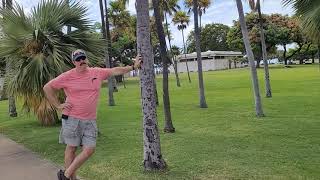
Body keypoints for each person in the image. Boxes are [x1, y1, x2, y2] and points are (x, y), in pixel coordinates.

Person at [43, 49, 142, 180]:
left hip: (90, 119)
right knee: (71, 148)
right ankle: (71, 177)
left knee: (89, 149)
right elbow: (47, 87)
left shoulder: (97, 72)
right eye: (78, 59)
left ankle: (65, 174)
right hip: (72, 118)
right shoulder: (67, 76)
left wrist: (133, 67)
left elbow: (115, 70)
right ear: (74, 62)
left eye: (83, 58)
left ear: (86, 59)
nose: (81, 61)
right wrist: (57, 105)